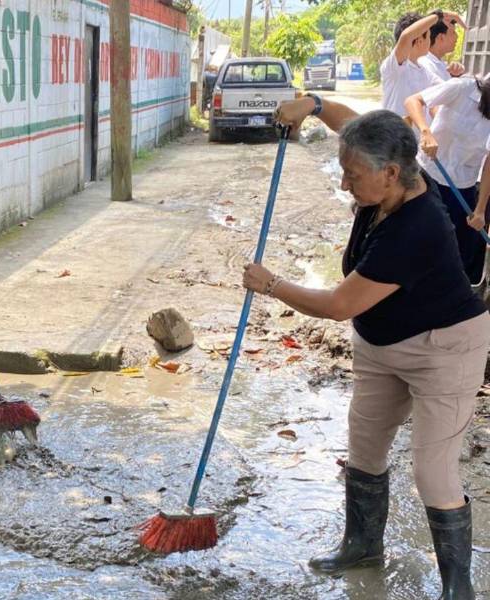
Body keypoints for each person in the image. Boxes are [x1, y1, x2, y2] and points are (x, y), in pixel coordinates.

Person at [252, 95, 490, 599]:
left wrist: (270, 285)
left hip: (443, 350)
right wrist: (312, 106)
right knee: (364, 445)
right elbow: (355, 129)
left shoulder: (419, 225)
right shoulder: (388, 173)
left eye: (353, 175)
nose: (345, 183)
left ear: (391, 173)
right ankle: (362, 545)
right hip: (382, 343)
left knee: (433, 469)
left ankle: (457, 587)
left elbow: (339, 305)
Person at [405, 76, 490, 284]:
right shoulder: (462, 87)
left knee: (458, 247)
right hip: (427, 173)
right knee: (416, 234)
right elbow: (413, 100)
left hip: (462, 185)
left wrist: (480, 210)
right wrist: (426, 131)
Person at [380, 11, 459, 120]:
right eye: (429, 36)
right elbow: (407, 36)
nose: (430, 40)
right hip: (393, 136)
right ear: (419, 40)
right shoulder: (395, 67)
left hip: (414, 137)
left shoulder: (425, 72)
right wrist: (438, 16)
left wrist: (457, 76)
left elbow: (446, 90)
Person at [419, 10, 466, 81]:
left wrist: (455, 75)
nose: (456, 36)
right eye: (453, 32)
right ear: (440, 37)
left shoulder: (442, 64)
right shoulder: (425, 65)